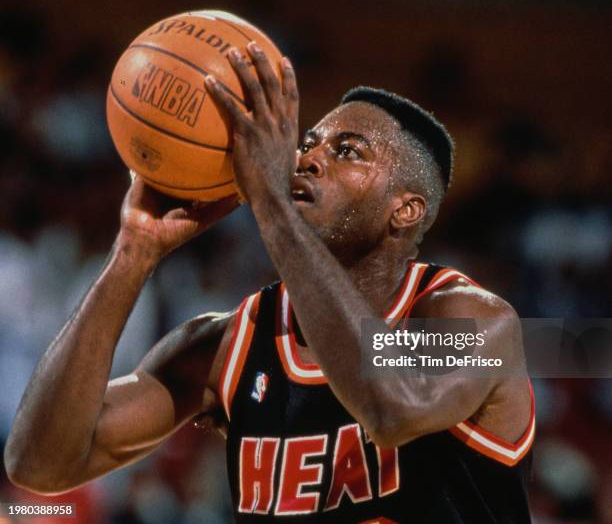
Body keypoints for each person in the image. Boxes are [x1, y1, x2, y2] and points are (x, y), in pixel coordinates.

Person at [4, 42, 534, 523]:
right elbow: (39, 465)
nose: (307, 159)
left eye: (347, 150)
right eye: (308, 143)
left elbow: (392, 410)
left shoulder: (475, 324)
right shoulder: (230, 344)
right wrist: (133, 250)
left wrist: (271, 204)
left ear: (405, 211)